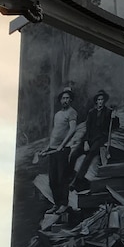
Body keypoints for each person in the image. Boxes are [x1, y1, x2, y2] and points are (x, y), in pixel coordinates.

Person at [69, 89, 119, 193]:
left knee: (90, 155)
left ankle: (76, 182)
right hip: (89, 138)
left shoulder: (109, 112)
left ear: (104, 101)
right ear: (96, 101)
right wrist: (86, 141)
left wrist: (114, 118)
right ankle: (70, 177)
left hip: (100, 138)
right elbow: (87, 128)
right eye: (98, 99)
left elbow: (115, 126)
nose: (100, 101)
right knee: (74, 154)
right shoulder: (91, 112)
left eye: (102, 99)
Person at [39, 87, 78, 215]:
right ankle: (56, 204)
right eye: (63, 98)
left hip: (62, 150)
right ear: (60, 100)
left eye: (67, 98)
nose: (65, 100)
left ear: (70, 100)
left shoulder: (72, 112)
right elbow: (55, 132)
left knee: (62, 178)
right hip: (53, 149)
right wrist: (47, 147)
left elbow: (72, 130)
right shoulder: (57, 114)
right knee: (53, 179)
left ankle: (64, 204)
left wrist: (62, 145)